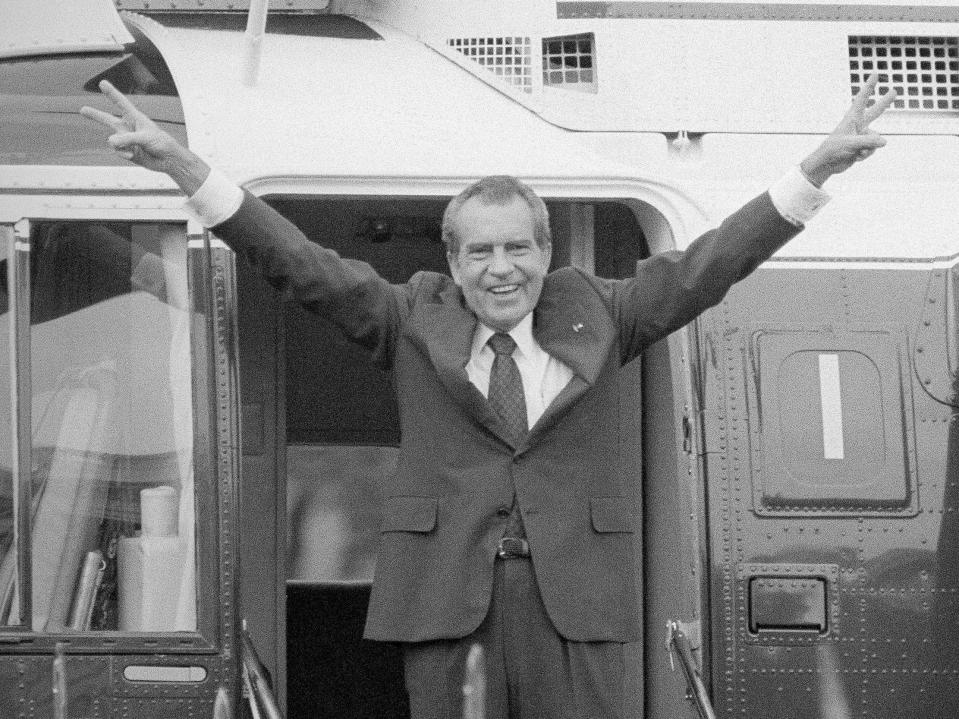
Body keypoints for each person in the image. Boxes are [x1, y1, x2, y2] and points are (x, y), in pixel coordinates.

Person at [82, 75, 896, 719]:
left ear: (544, 252)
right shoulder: (408, 316)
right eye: (479, 251)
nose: (498, 268)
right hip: (447, 606)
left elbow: (711, 265)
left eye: (516, 247)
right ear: (452, 257)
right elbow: (295, 261)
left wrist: (813, 170)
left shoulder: (604, 312)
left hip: (575, 610)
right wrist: (184, 166)